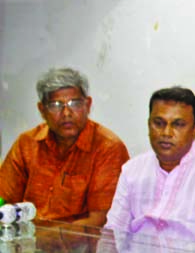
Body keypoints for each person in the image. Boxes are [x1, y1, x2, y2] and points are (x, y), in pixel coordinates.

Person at [0, 68, 129, 227]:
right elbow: (4, 200)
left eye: (74, 104)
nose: (66, 113)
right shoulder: (27, 144)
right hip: (26, 244)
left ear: (88, 105)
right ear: (42, 110)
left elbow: (100, 221)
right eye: (55, 105)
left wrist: (44, 239)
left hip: (80, 247)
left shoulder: (107, 148)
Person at [103, 87, 195, 242]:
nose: (166, 133)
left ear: (194, 130)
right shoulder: (132, 169)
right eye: (159, 123)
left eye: (178, 124)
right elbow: (114, 231)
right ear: (149, 124)